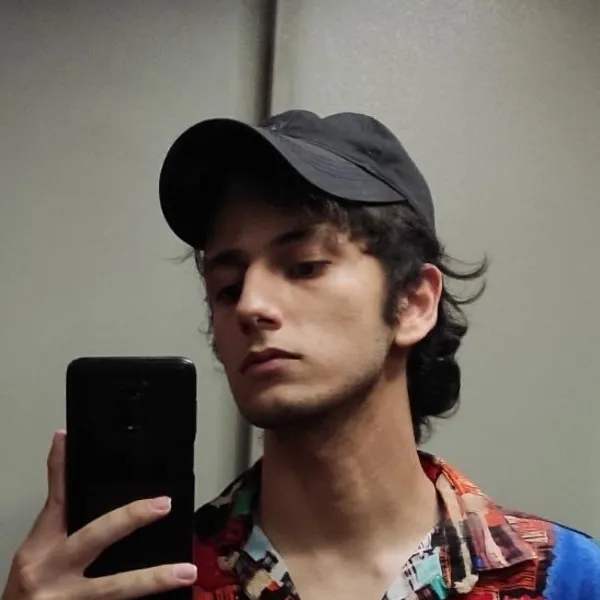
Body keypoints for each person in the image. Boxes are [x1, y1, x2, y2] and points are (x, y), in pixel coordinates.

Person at [3, 110, 599, 600]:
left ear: (414, 303)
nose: (250, 306)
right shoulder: (148, 585)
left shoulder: (566, 582)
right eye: (226, 287)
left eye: (304, 266)